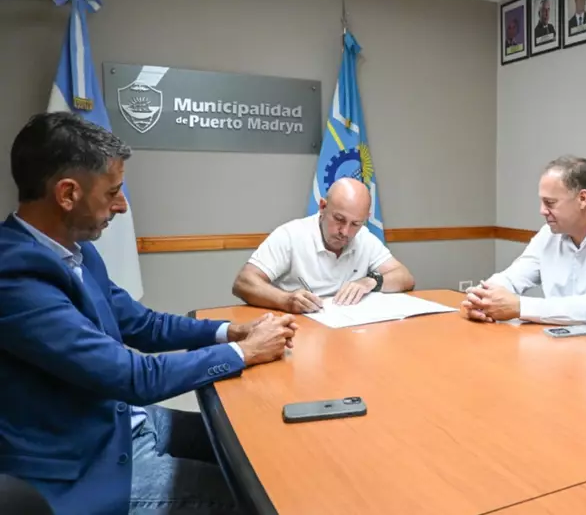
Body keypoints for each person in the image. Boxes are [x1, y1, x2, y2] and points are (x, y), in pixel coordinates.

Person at [0, 112, 298, 515]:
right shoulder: (15, 278)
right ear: (67, 194)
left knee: (253, 446)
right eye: (112, 192)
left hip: (122, 423)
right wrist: (245, 353)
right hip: (85, 466)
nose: (122, 206)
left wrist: (232, 332)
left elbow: (143, 325)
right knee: (257, 498)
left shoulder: (76, 252)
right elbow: (132, 378)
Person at [462, 155, 586, 339]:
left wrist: (520, 307)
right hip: (563, 342)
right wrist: (481, 299)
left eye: (550, 203)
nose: (542, 211)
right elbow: (512, 277)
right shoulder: (549, 235)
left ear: (583, 199)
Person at [233, 177, 415, 313]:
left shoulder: (364, 238)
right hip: (299, 330)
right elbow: (244, 282)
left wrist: (370, 282)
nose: (345, 232)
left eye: (355, 224)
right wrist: (286, 300)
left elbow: (405, 277)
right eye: (339, 219)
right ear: (322, 207)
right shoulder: (291, 235)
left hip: (349, 330)